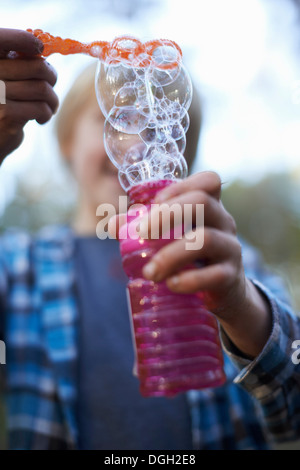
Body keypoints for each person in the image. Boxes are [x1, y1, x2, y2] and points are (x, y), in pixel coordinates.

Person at [0, 27, 297, 450]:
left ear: (183, 153)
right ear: (66, 140)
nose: (138, 145)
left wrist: (240, 305)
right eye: (116, 120)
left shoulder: (228, 263)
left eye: (158, 129)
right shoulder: (19, 268)